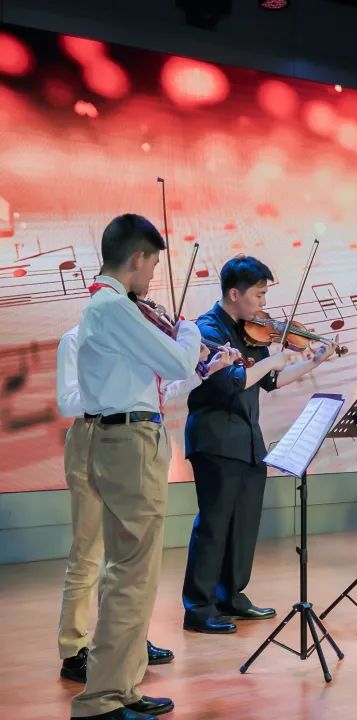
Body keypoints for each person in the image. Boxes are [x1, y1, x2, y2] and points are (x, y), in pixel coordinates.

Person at [55, 318, 239, 684]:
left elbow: (156, 394)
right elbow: (67, 402)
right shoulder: (75, 339)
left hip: (133, 439)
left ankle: (124, 639)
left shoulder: (132, 337)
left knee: (127, 553)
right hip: (92, 437)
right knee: (89, 551)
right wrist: (117, 391)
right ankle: (73, 649)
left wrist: (202, 372)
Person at [71, 213, 201, 720]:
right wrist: (188, 330)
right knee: (132, 573)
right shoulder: (114, 307)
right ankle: (103, 698)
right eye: (152, 266)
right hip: (129, 442)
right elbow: (178, 362)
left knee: (125, 571)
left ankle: (120, 685)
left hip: (118, 439)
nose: (151, 278)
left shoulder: (107, 307)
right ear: (138, 258)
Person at [181, 255, 335, 634]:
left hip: (248, 440)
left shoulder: (252, 332)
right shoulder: (206, 328)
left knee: (244, 524)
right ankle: (198, 607)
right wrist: (274, 360)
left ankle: (231, 595)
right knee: (214, 524)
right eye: (259, 295)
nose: (264, 304)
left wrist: (313, 361)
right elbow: (231, 381)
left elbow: (270, 381)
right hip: (215, 440)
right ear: (234, 293)